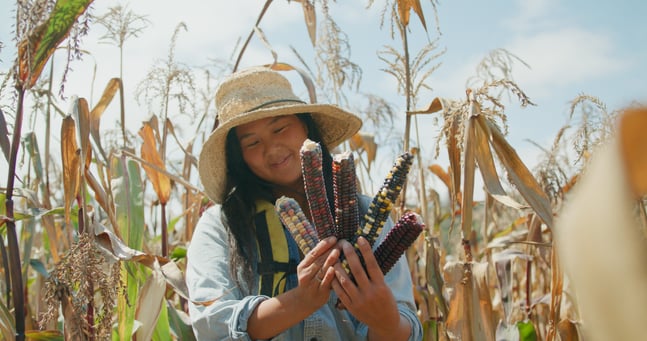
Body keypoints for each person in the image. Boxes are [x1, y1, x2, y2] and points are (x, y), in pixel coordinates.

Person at [186, 66, 422, 340]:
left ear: (306, 126)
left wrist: (385, 322)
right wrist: (302, 300)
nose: (272, 149)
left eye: (280, 128)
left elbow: (403, 325)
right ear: (240, 158)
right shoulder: (219, 226)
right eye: (252, 143)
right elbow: (211, 324)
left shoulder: (367, 212)